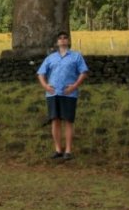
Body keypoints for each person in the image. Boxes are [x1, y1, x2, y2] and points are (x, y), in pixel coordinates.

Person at [36, 31, 90, 160]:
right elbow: (40, 73)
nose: (63, 40)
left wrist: (74, 86)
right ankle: (58, 149)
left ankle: (68, 151)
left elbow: (83, 72)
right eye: (60, 38)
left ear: (69, 41)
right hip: (53, 93)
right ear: (57, 42)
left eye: (65, 38)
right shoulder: (50, 58)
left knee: (68, 121)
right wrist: (45, 86)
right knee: (55, 120)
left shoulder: (76, 56)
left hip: (69, 93)